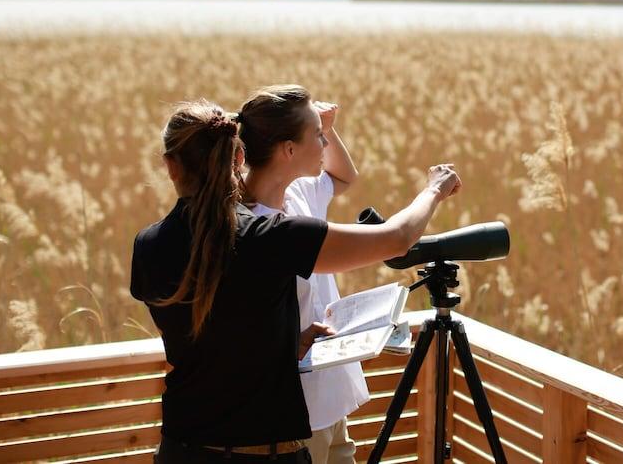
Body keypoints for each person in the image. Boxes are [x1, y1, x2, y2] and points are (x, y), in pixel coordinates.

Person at [130, 99, 461, 463]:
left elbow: (208, 342)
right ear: (238, 160)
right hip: (265, 452)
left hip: (183, 450)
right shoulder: (272, 236)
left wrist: (288, 342)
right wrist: (434, 190)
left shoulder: (148, 246)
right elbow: (397, 238)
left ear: (170, 165)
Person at [237, 85, 363, 464]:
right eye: (318, 137)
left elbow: (344, 176)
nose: (325, 142)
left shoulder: (299, 194)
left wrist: (328, 126)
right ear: (288, 150)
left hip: (333, 392)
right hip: (296, 410)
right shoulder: (246, 228)